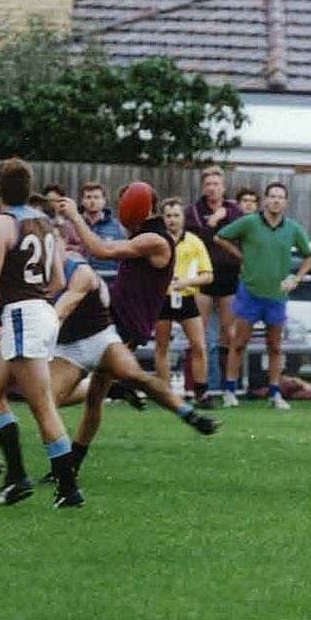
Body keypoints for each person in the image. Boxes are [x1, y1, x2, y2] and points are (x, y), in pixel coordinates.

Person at [55, 190, 220, 476]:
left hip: (126, 324)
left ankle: (181, 410)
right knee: (95, 397)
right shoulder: (144, 234)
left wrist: (74, 217)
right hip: (115, 318)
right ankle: (73, 463)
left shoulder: (155, 239)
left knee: (85, 392)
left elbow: (102, 251)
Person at [0, 158, 79, 508]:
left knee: (41, 405)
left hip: (24, 316)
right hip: (37, 312)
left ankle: (68, 489)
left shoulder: (2, 223)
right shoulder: (44, 223)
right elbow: (58, 279)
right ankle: (17, 476)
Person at [214, 181, 311, 410]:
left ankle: (275, 394)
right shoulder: (250, 222)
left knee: (275, 346)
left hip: (276, 295)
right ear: (266, 200)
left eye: (280, 197)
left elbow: (309, 257)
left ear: (285, 202)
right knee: (239, 343)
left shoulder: (293, 228)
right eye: (272, 196)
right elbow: (220, 237)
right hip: (250, 292)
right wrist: (241, 257)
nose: (276, 200)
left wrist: (296, 278)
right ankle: (229, 391)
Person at [186, 166, 243, 392]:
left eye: (216, 184)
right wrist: (212, 222)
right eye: (208, 184)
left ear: (223, 187)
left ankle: (228, 386)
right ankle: (201, 386)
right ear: (203, 187)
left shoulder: (235, 211)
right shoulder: (193, 211)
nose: (212, 188)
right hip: (203, 279)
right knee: (199, 335)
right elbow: (195, 242)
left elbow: (242, 237)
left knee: (229, 334)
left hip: (229, 278)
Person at [154, 198, 213, 404]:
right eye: (168, 216)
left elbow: (208, 275)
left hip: (186, 297)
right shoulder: (157, 241)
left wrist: (185, 282)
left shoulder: (194, 242)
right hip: (162, 298)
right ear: (163, 218)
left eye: (176, 215)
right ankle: (165, 392)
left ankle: (201, 391)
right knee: (162, 346)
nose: (172, 220)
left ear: (183, 218)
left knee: (198, 345)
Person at [77, 181, 126, 273]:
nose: (92, 201)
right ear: (82, 201)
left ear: (104, 200)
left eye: (96, 197)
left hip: (110, 277)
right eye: (88, 197)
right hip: (80, 277)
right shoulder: (72, 226)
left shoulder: (118, 228)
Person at [43, 183, 84, 256]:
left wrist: (66, 247)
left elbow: (82, 247)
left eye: (55, 200)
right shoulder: (39, 220)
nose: (52, 204)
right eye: (49, 201)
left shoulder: (71, 222)